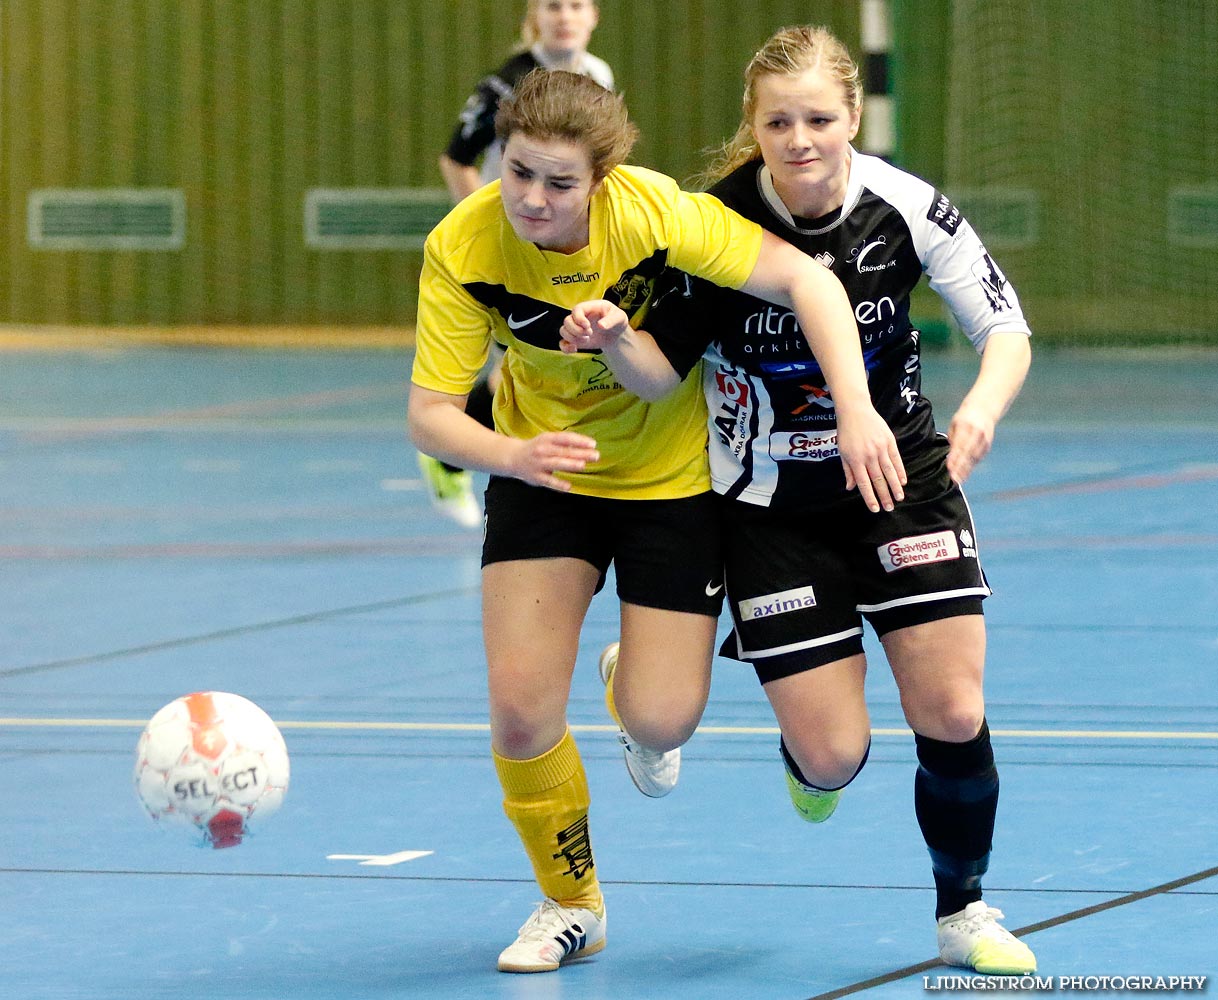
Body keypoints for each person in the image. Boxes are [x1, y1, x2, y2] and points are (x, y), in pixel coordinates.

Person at [408, 68, 904, 974]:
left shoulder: (657, 213)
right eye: (519, 172)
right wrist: (513, 455)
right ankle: (571, 904)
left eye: (559, 183)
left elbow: (809, 281)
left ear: (600, 180)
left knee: (663, 721)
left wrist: (856, 404)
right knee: (520, 712)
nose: (531, 198)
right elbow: (430, 413)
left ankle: (628, 685)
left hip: (669, 480)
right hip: (541, 474)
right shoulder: (463, 244)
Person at [568, 25, 1037, 977]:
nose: (800, 139)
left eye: (820, 118)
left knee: (950, 708)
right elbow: (662, 379)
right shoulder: (713, 224)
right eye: (778, 121)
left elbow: (1006, 328)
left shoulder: (906, 207)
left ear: (853, 119)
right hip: (767, 505)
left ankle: (965, 910)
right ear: (754, 125)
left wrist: (980, 413)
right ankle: (789, 746)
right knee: (831, 759)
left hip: (897, 479)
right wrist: (618, 337)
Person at [418, 0, 614, 528]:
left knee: (539, 358)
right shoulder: (504, 83)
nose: (564, 16)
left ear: (593, 15)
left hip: (571, 244)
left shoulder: (597, 76)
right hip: (514, 249)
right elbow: (456, 156)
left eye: (576, 5)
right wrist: (487, 228)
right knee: (525, 359)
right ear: (535, 15)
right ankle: (450, 450)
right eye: (553, 5)